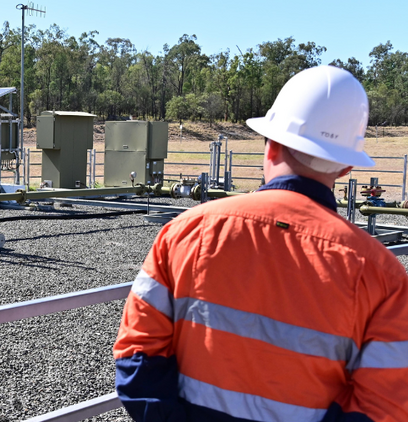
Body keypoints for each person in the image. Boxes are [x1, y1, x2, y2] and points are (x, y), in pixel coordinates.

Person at [113, 65, 408, 422]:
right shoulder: (384, 275)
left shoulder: (185, 232)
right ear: (346, 167)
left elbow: (136, 356)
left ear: (270, 146)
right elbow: (385, 407)